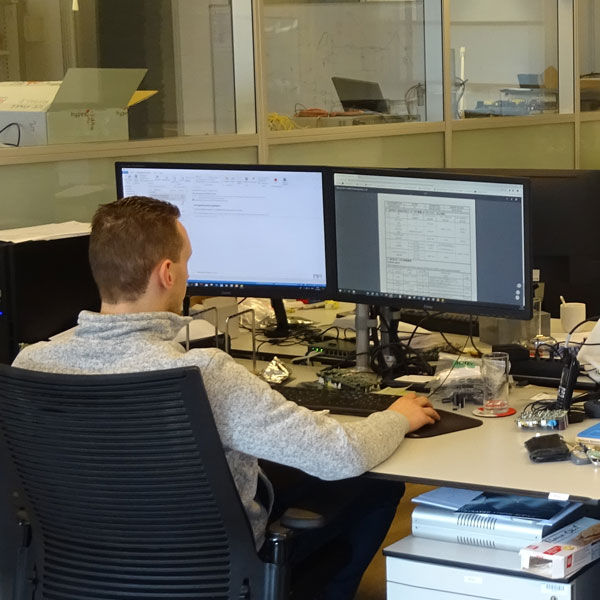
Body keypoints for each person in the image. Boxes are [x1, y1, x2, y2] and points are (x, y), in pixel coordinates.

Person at [13, 196, 439, 599]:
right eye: (187, 261)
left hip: (79, 569)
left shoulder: (32, 364)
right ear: (167, 273)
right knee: (370, 487)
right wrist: (397, 416)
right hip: (214, 573)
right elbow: (339, 455)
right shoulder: (203, 373)